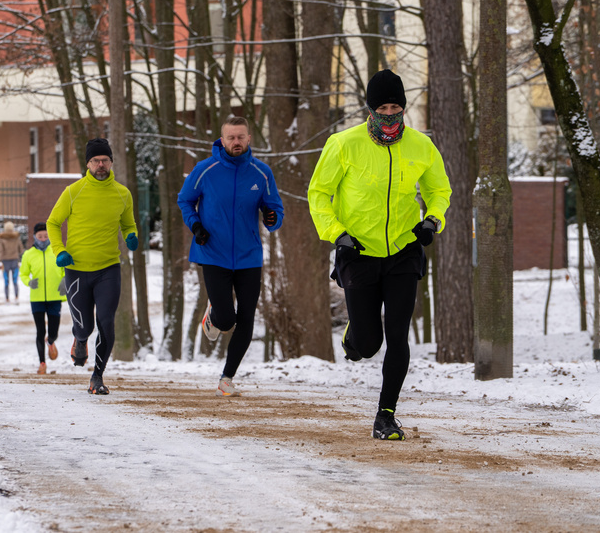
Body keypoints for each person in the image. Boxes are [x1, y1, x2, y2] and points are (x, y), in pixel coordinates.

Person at [308, 69, 452, 440]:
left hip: (404, 249)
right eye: (383, 107)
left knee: (398, 335)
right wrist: (336, 234)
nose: (390, 113)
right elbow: (319, 194)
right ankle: (354, 337)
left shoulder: (421, 145)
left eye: (396, 106)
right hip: (357, 250)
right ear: (370, 110)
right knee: (369, 344)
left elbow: (440, 190)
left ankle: (385, 415)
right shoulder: (344, 144)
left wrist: (432, 221)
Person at [177, 117, 284, 397]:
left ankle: (227, 377)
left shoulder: (261, 173)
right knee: (226, 320)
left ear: (249, 138)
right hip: (212, 252)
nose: (235, 142)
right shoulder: (205, 170)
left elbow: (274, 209)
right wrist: (196, 225)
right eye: (230, 138)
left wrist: (271, 218)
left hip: (249, 257)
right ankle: (214, 316)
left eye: (240, 137)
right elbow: (184, 199)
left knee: (246, 317)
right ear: (222, 140)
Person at [47, 137, 138, 395]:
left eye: (105, 160)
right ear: (88, 163)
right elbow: (53, 223)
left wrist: (132, 236)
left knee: (106, 321)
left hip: (108, 268)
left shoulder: (123, 194)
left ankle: (97, 376)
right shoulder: (73, 192)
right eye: (96, 160)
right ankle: (80, 338)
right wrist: (60, 250)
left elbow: (129, 224)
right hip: (76, 269)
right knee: (85, 326)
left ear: (111, 162)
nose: (101, 165)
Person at [20, 222, 66, 374]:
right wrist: (29, 282)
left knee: (53, 332)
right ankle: (42, 363)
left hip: (55, 297)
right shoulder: (29, 254)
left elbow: (67, 270)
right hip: (37, 299)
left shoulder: (57, 252)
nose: (43, 238)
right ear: (34, 237)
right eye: (40, 236)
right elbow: (23, 274)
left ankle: (51, 341)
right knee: (40, 330)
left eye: (46, 236)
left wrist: (64, 282)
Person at [0, 221, 25, 304]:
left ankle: (7, 298)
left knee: (6, 281)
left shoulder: (2, 238)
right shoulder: (16, 237)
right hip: (15, 260)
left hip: (5, 262)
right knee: (15, 280)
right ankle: (16, 296)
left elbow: (0, 250)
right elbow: (21, 249)